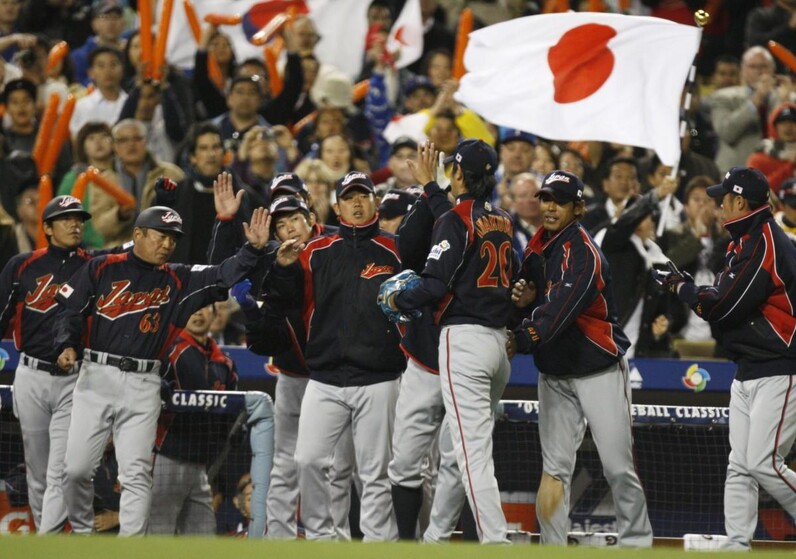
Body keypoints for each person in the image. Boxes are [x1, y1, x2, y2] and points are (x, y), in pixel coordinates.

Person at [53, 202, 271, 535]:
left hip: (144, 381)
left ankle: (132, 551)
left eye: (173, 238)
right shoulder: (102, 267)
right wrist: (66, 344)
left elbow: (221, 275)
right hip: (96, 375)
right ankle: (83, 535)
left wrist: (252, 250)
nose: (168, 244)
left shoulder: (179, 279)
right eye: (161, 235)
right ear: (138, 234)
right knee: (76, 470)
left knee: (137, 474)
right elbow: (69, 310)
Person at [510, 170, 652, 547]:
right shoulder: (537, 247)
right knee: (554, 470)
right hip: (555, 371)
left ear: (578, 208)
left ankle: (637, 545)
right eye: (545, 199)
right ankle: (553, 548)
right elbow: (532, 299)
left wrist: (524, 335)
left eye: (558, 200)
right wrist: (523, 300)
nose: (549, 207)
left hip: (598, 369)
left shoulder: (585, 251)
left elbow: (561, 308)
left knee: (618, 467)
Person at [658, 166, 796, 551]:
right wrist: (688, 288)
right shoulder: (743, 241)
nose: (718, 208)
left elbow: (723, 304)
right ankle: (738, 543)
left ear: (740, 202)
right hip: (749, 367)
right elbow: (720, 300)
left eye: (723, 201)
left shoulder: (764, 240)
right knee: (740, 463)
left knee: (763, 463)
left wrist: (681, 287)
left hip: (780, 368)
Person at [386, 139, 515, 543]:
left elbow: (435, 281)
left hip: (464, 341)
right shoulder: (504, 220)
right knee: (461, 455)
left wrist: (397, 299)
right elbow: (456, 221)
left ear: (456, 172)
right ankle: (435, 539)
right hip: (497, 344)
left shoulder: (456, 216)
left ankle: (496, 541)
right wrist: (432, 192)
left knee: (471, 455)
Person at [265, 170, 404, 541]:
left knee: (375, 473)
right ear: (337, 206)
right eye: (349, 197)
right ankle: (322, 541)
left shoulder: (396, 249)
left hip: (379, 376)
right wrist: (280, 268)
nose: (357, 203)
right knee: (307, 460)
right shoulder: (313, 252)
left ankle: (378, 544)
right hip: (324, 377)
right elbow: (284, 302)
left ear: (375, 201)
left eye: (364, 196)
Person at [0, 196, 97, 533]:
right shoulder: (22, 265)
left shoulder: (94, 265)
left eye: (79, 219)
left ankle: (46, 544)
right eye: (66, 219)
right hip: (30, 375)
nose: (75, 225)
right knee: (38, 473)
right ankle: (48, 542)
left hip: (74, 378)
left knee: (60, 470)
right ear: (47, 228)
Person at [148, 304, 238, 535]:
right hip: (166, 458)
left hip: (201, 466)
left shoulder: (224, 362)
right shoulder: (167, 351)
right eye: (193, 308)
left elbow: (232, 414)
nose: (198, 313)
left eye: (205, 309)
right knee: (158, 537)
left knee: (203, 538)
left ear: (216, 315)